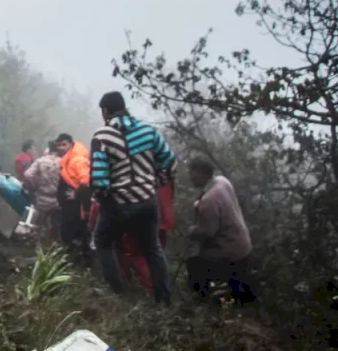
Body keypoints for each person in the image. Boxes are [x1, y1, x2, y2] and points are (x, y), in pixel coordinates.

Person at [89, 91, 175, 305]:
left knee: (103, 241)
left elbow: (99, 180)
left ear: (106, 111)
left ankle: (118, 293)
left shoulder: (102, 136)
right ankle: (164, 299)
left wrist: (108, 203)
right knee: (152, 249)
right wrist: (155, 182)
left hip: (119, 204)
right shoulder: (148, 130)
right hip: (147, 202)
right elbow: (170, 161)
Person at [187, 157, 257, 304]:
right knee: (240, 289)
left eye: (192, 172)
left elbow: (206, 233)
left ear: (201, 173)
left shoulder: (209, 200)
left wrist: (192, 231)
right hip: (244, 246)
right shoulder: (222, 181)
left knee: (194, 264)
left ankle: (203, 303)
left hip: (229, 252)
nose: (190, 176)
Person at [55, 133, 91, 262]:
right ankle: (75, 262)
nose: (61, 147)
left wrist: (76, 194)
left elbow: (86, 182)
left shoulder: (77, 159)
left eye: (64, 144)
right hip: (69, 206)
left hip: (76, 206)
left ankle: (83, 264)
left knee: (78, 235)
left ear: (71, 144)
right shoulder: (67, 159)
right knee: (70, 234)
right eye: (59, 145)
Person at [22, 141, 62, 238]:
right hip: (58, 200)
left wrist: (33, 187)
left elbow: (27, 175)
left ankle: (36, 246)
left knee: (38, 225)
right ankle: (56, 246)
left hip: (42, 199)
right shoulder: (63, 161)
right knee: (57, 225)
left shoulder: (40, 161)